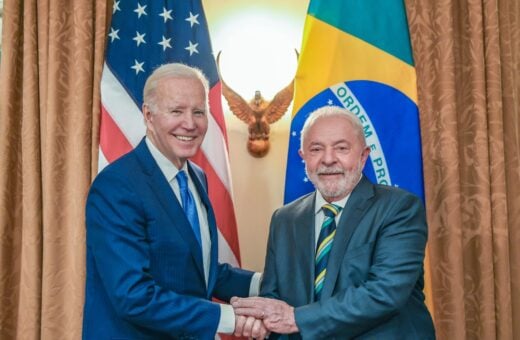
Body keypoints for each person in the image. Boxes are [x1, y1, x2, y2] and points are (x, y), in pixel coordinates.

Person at [83, 63, 266, 339]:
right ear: (148, 115)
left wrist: (265, 284)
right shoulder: (117, 186)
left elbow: (194, 266)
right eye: (176, 111)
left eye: (198, 112)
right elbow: (133, 295)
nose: (190, 124)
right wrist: (231, 318)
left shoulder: (196, 176)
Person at [232, 106, 435, 339]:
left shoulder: (399, 208)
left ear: (363, 155)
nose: (328, 159)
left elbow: (385, 292)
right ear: (303, 157)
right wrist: (262, 321)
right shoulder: (284, 219)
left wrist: (295, 318)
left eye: (341, 148)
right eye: (316, 149)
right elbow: (273, 296)